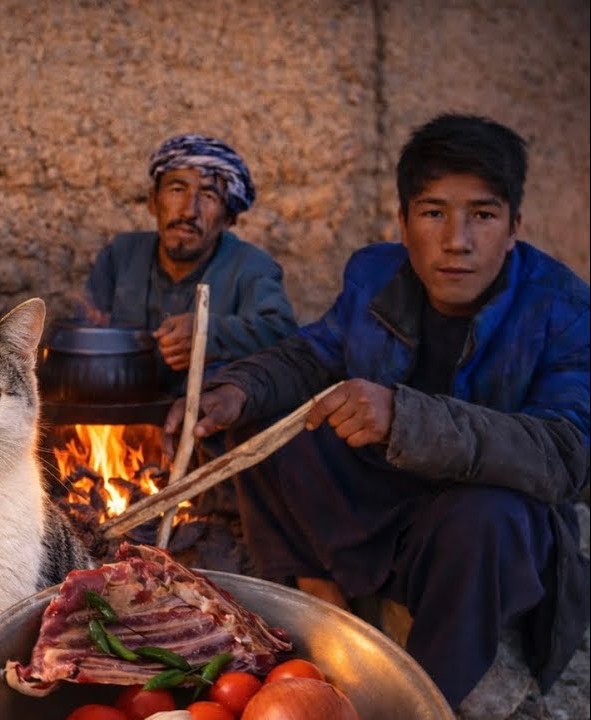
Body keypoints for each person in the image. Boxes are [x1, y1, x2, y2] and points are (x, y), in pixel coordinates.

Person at [163, 114, 589, 711]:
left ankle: (422, 699)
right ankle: (321, 593)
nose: (457, 240)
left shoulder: (563, 308)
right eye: (434, 212)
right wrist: (233, 390)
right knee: (264, 422)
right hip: (382, 498)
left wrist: (406, 420)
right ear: (404, 221)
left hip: (474, 531)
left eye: (483, 216)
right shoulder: (375, 275)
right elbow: (312, 355)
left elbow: (569, 455)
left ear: (515, 226)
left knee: (487, 516)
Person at [84, 134, 297, 399]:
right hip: (122, 420)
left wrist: (210, 335)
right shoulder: (120, 255)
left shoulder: (252, 267)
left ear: (229, 218)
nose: (188, 211)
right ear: (152, 201)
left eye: (208, 195)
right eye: (176, 189)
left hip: (206, 426)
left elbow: (283, 334)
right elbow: (88, 331)